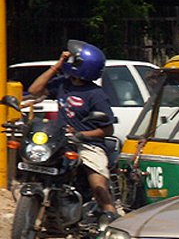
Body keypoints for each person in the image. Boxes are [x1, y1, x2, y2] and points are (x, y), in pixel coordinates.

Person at [28, 40, 118, 218]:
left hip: (88, 144)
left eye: (73, 61)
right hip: (61, 142)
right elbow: (34, 90)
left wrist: (80, 135)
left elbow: (108, 130)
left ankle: (112, 221)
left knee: (97, 185)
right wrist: (57, 65)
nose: (69, 62)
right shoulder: (63, 84)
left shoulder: (96, 95)